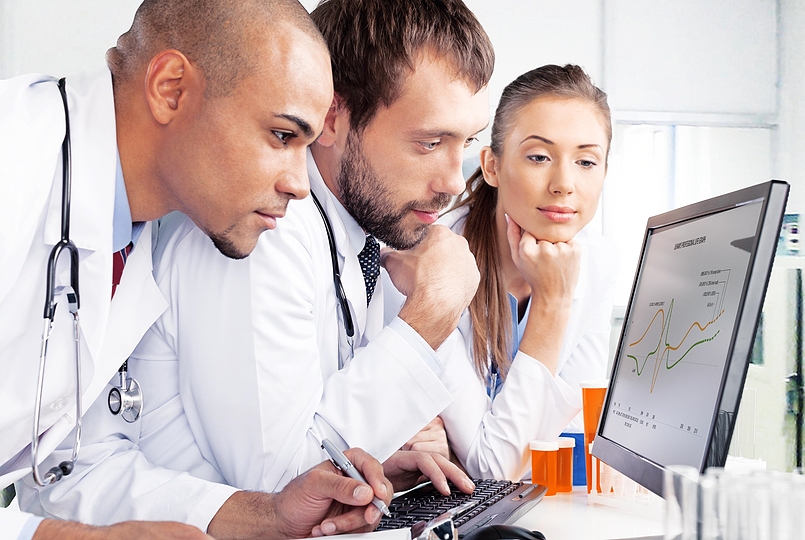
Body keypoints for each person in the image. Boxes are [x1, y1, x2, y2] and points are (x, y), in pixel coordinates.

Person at [2, 1, 396, 538]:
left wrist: (270, 516)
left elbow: (76, 468)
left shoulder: (140, 229)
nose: (300, 184)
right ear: (171, 89)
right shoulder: (14, 159)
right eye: (282, 136)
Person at [120, 0, 493, 499]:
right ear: (332, 117)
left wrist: (377, 462)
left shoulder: (360, 234)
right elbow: (283, 489)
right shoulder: (260, 225)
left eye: (466, 142)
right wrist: (429, 317)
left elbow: (315, 439)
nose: (453, 181)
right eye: (429, 143)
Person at [437, 64, 619, 481]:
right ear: (492, 167)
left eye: (587, 162)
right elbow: (496, 468)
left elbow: (570, 435)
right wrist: (552, 305)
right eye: (539, 157)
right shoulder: (436, 261)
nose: (564, 184)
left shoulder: (599, 263)